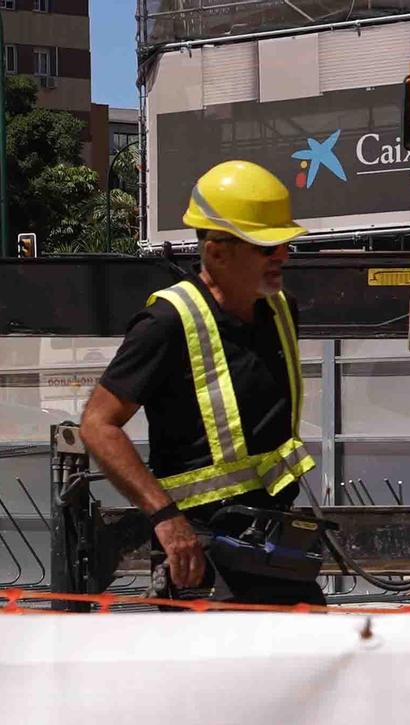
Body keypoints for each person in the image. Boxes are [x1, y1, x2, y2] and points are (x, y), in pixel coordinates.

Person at [78, 160, 322, 606]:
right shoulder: (167, 322)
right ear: (217, 252)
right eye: (267, 246)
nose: (283, 255)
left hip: (272, 541)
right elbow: (98, 424)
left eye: (284, 243)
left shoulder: (281, 310)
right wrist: (167, 520)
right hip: (203, 555)